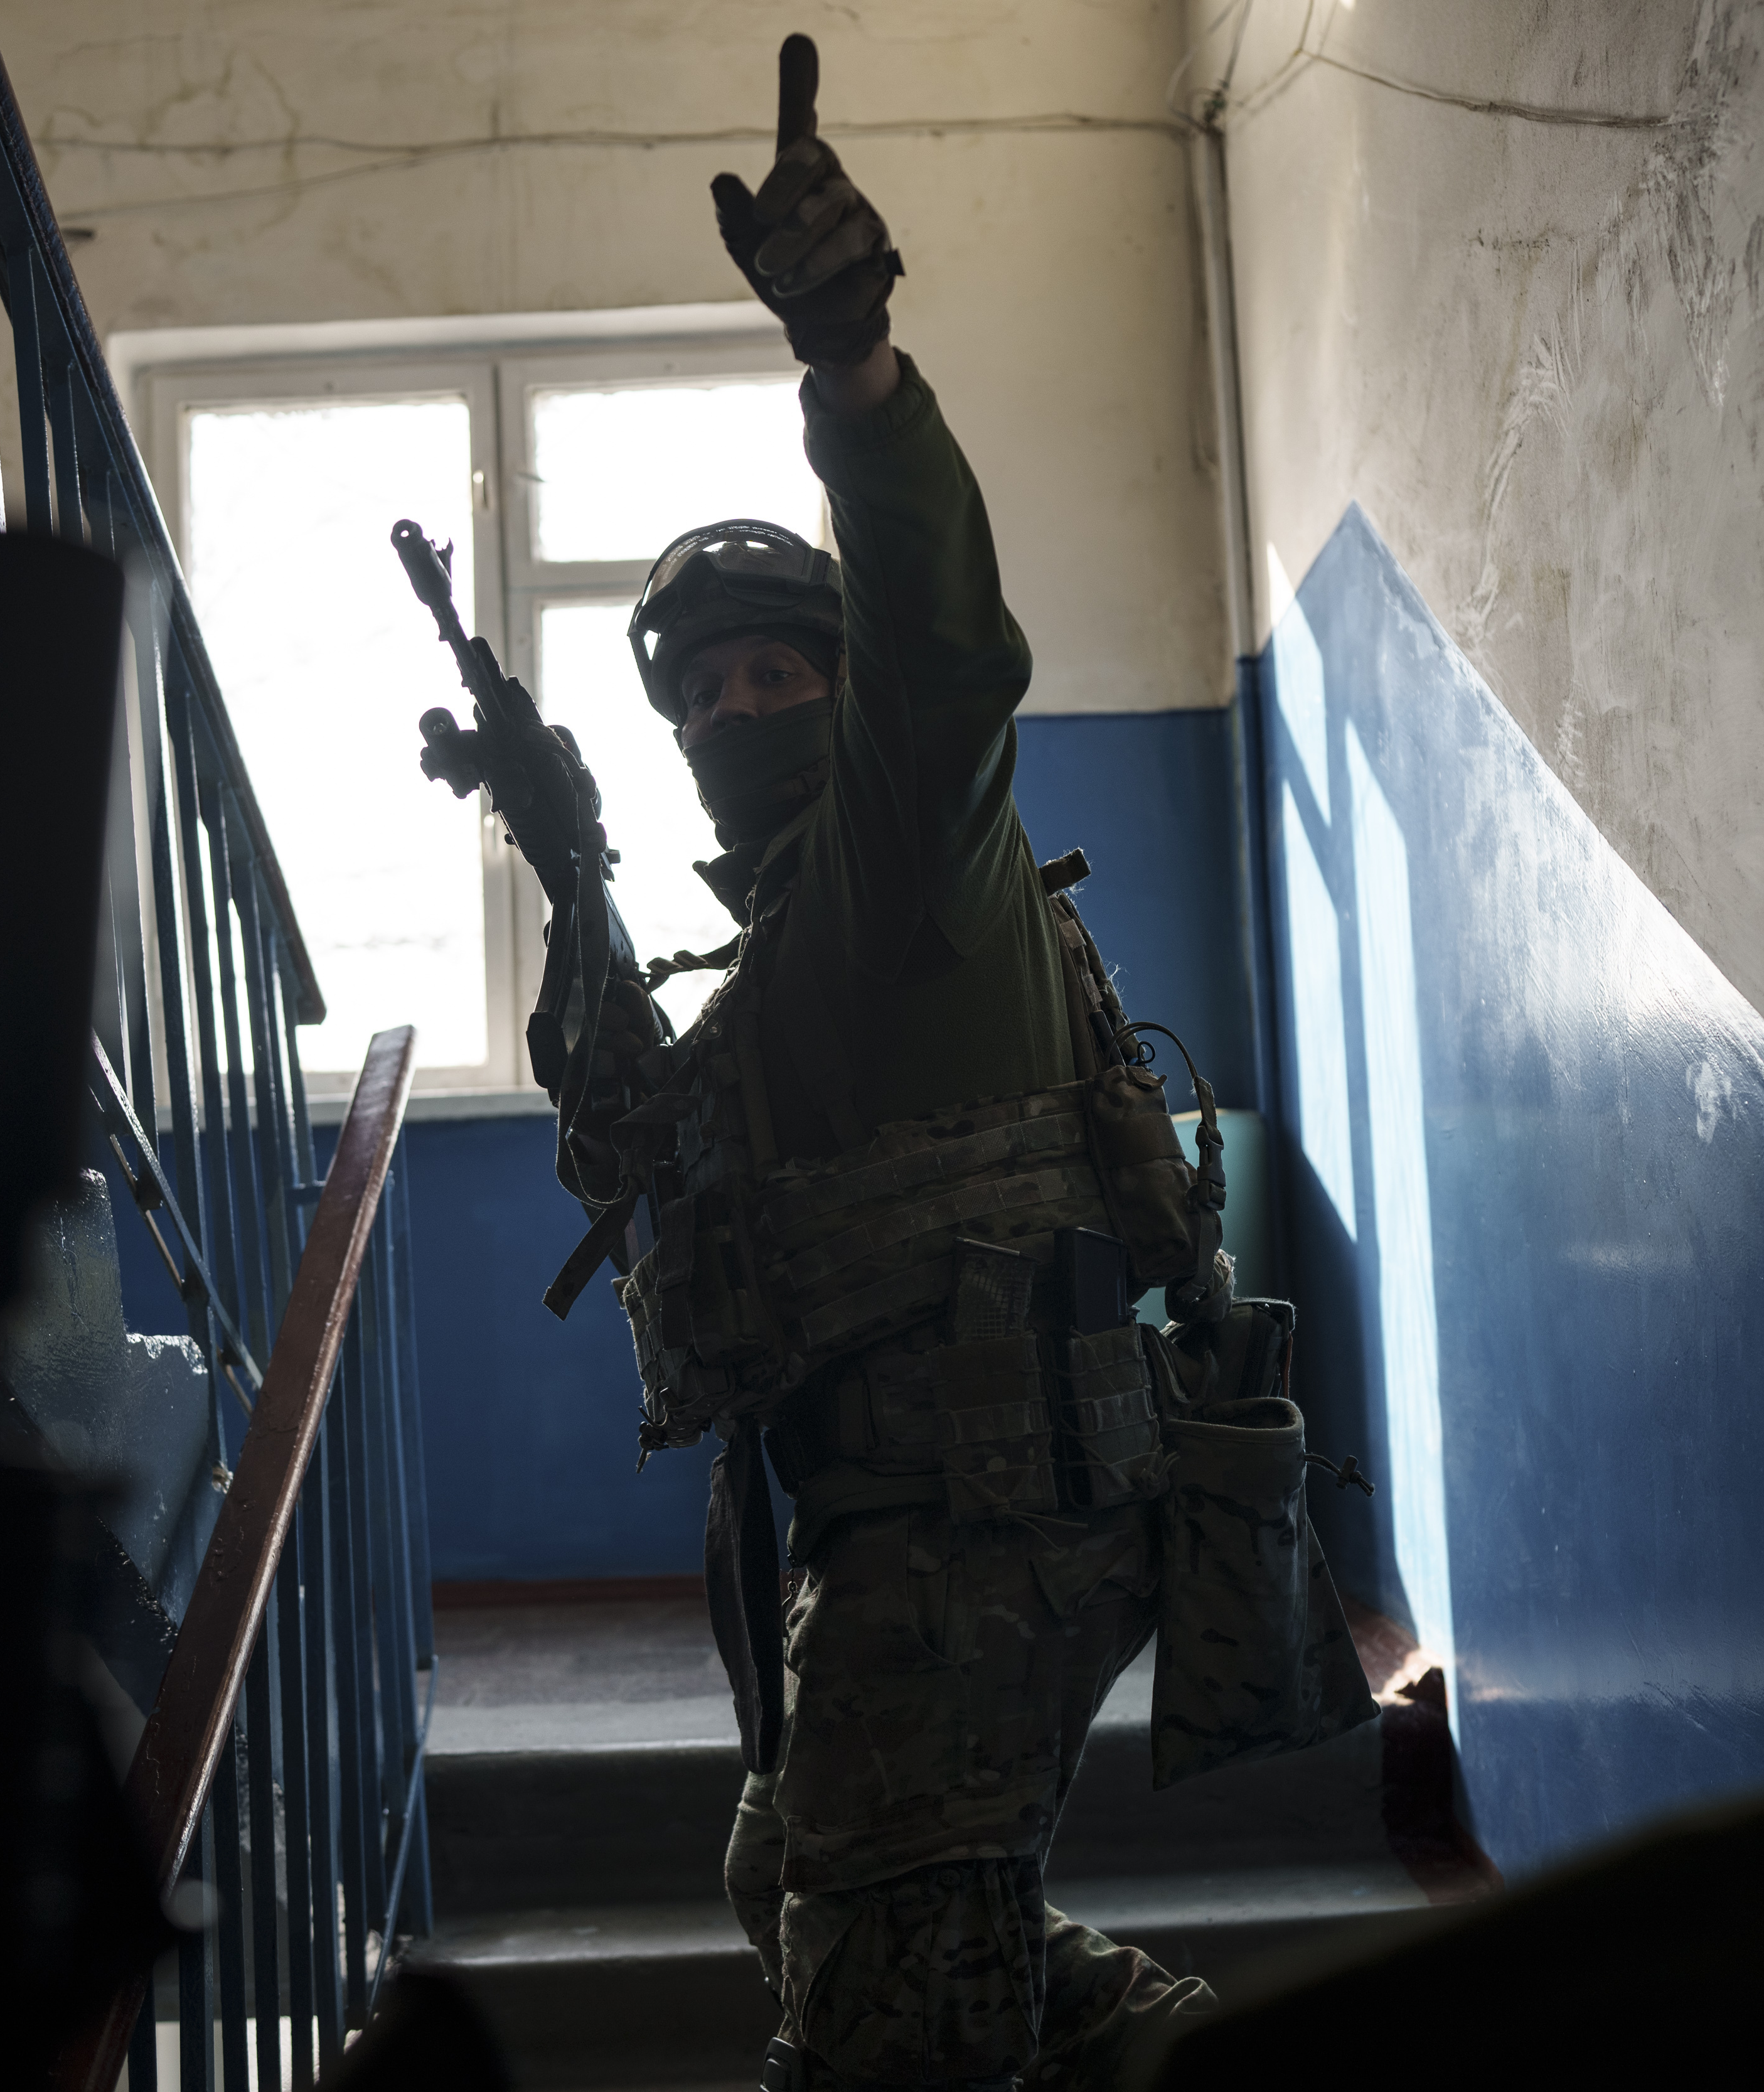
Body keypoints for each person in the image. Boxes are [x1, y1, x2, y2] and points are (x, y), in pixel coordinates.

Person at [543, 36, 1363, 2092]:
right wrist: (565, 871)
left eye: (777, 672)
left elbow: (944, 635)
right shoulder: (788, 957)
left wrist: (859, 379)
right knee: (783, 1867)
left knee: (883, 2030)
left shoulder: (913, 848)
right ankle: (1150, 2054)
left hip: (983, 1523)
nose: (742, 709)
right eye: (706, 691)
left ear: (841, 692)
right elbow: (625, 1139)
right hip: (887, 1525)